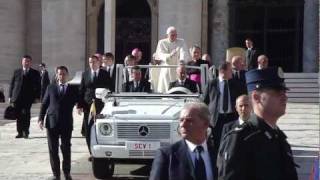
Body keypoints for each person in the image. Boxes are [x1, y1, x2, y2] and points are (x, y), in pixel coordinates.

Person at [217, 67, 299, 180]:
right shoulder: (240, 139)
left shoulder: (279, 137)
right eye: (277, 92)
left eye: (284, 92)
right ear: (256, 97)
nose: (284, 96)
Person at [149, 102, 217, 180]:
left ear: (205, 124)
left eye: (189, 120)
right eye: (181, 120)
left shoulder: (218, 153)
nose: (182, 125)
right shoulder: (167, 155)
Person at [38, 66, 78, 180]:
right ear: (56, 75)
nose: (62, 76)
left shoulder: (73, 89)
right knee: (53, 149)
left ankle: (67, 172)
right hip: (52, 122)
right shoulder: (50, 88)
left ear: (68, 75)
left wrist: (82, 107)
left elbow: (79, 101)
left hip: (66, 123)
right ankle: (56, 174)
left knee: (66, 148)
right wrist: (40, 118)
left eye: (64, 74)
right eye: (60, 74)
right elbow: (44, 104)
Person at [203, 62, 245, 148]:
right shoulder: (212, 84)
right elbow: (205, 101)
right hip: (217, 119)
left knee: (232, 142)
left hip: (232, 117)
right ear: (223, 71)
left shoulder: (236, 83)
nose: (232, 72)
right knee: (217, 143)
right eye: (230, 70)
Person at [78, 55, 111, 160]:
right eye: (90, 62)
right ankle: (91, 152)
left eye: (94, 62)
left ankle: (101, 151)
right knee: (88, 129)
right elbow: (81, 90)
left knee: (99, 128)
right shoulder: (85, 74)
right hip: (88, 106)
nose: (92, 64)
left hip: (101, 106)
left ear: (98, 62)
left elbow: (110, 88)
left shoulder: (105, 74)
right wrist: (79, 105)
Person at [9, 55, 41, 138]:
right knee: (18, 115)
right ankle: (19, 132)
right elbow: (12, 85)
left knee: (26, 114)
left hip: (28, 98)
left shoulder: (35, 73)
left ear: (30, 62)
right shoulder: (16, 72)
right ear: (22, 62)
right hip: (17, 97)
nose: (26, 63)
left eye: (28, 61)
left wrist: (37, 97)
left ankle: (26, 131)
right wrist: (10, 96)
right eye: (25, 61)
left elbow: (38, 86)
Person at [156, 26, 190, 93]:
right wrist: (170, 55)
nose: (174, 37)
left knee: (177, 89)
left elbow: (184, 52)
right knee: (166, 89)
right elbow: (160, 54)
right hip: (167, 68)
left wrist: (181, 61)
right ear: (167, 35)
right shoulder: (162, 42)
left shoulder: (181, 41)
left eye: (175, 35)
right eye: (172, 35)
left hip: (178, 68)